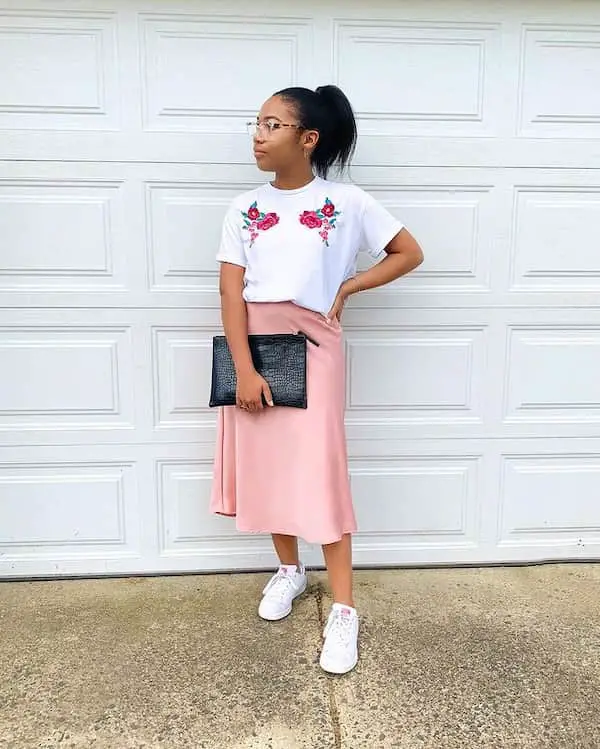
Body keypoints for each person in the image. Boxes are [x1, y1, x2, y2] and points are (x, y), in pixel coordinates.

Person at [210, 84, 423, 675]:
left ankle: (345, 610)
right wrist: (245, 368)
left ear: (308, 139)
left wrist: (349, 286)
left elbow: (408, 252)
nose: (258, 134)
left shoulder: (348, 202)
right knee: (269, 467)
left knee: (320, 471)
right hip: (254, 343)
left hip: (314, 345)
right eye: (256, 122)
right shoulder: (242, 208)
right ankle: (289, 571)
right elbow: (230, 289)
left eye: (272, 125)